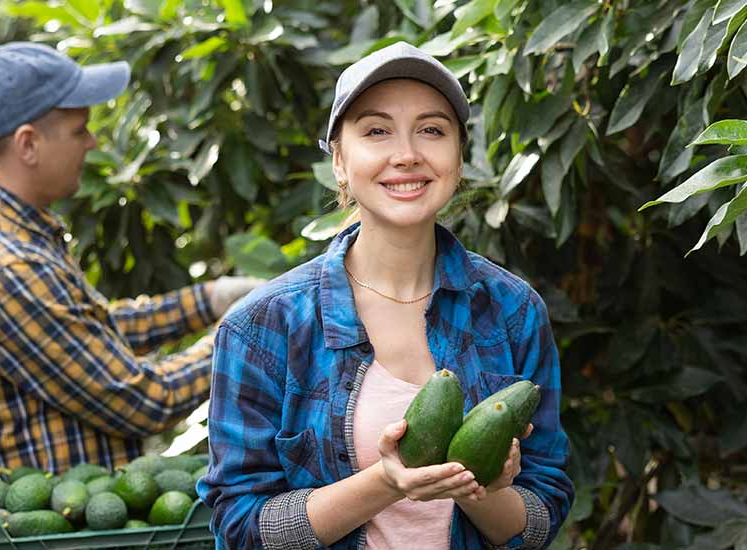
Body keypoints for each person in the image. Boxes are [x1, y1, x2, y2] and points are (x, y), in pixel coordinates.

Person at [197, 42, 573, 549]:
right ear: (340, 162)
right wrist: (385, 482)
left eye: (432, 130)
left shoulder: (512, 311)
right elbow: (241, 529)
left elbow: (541, 519)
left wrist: (477, 488)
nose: (407, 155)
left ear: (459, 158)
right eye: (376, 131)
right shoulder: (264, 326)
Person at [0, 42, 262, 473]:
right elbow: (141, 402)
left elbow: (83, 330)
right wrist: (237, 336)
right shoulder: (8, 267)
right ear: (27, 144)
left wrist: (210, 300)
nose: (92, 142)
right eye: (79, 130)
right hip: (38, 535)